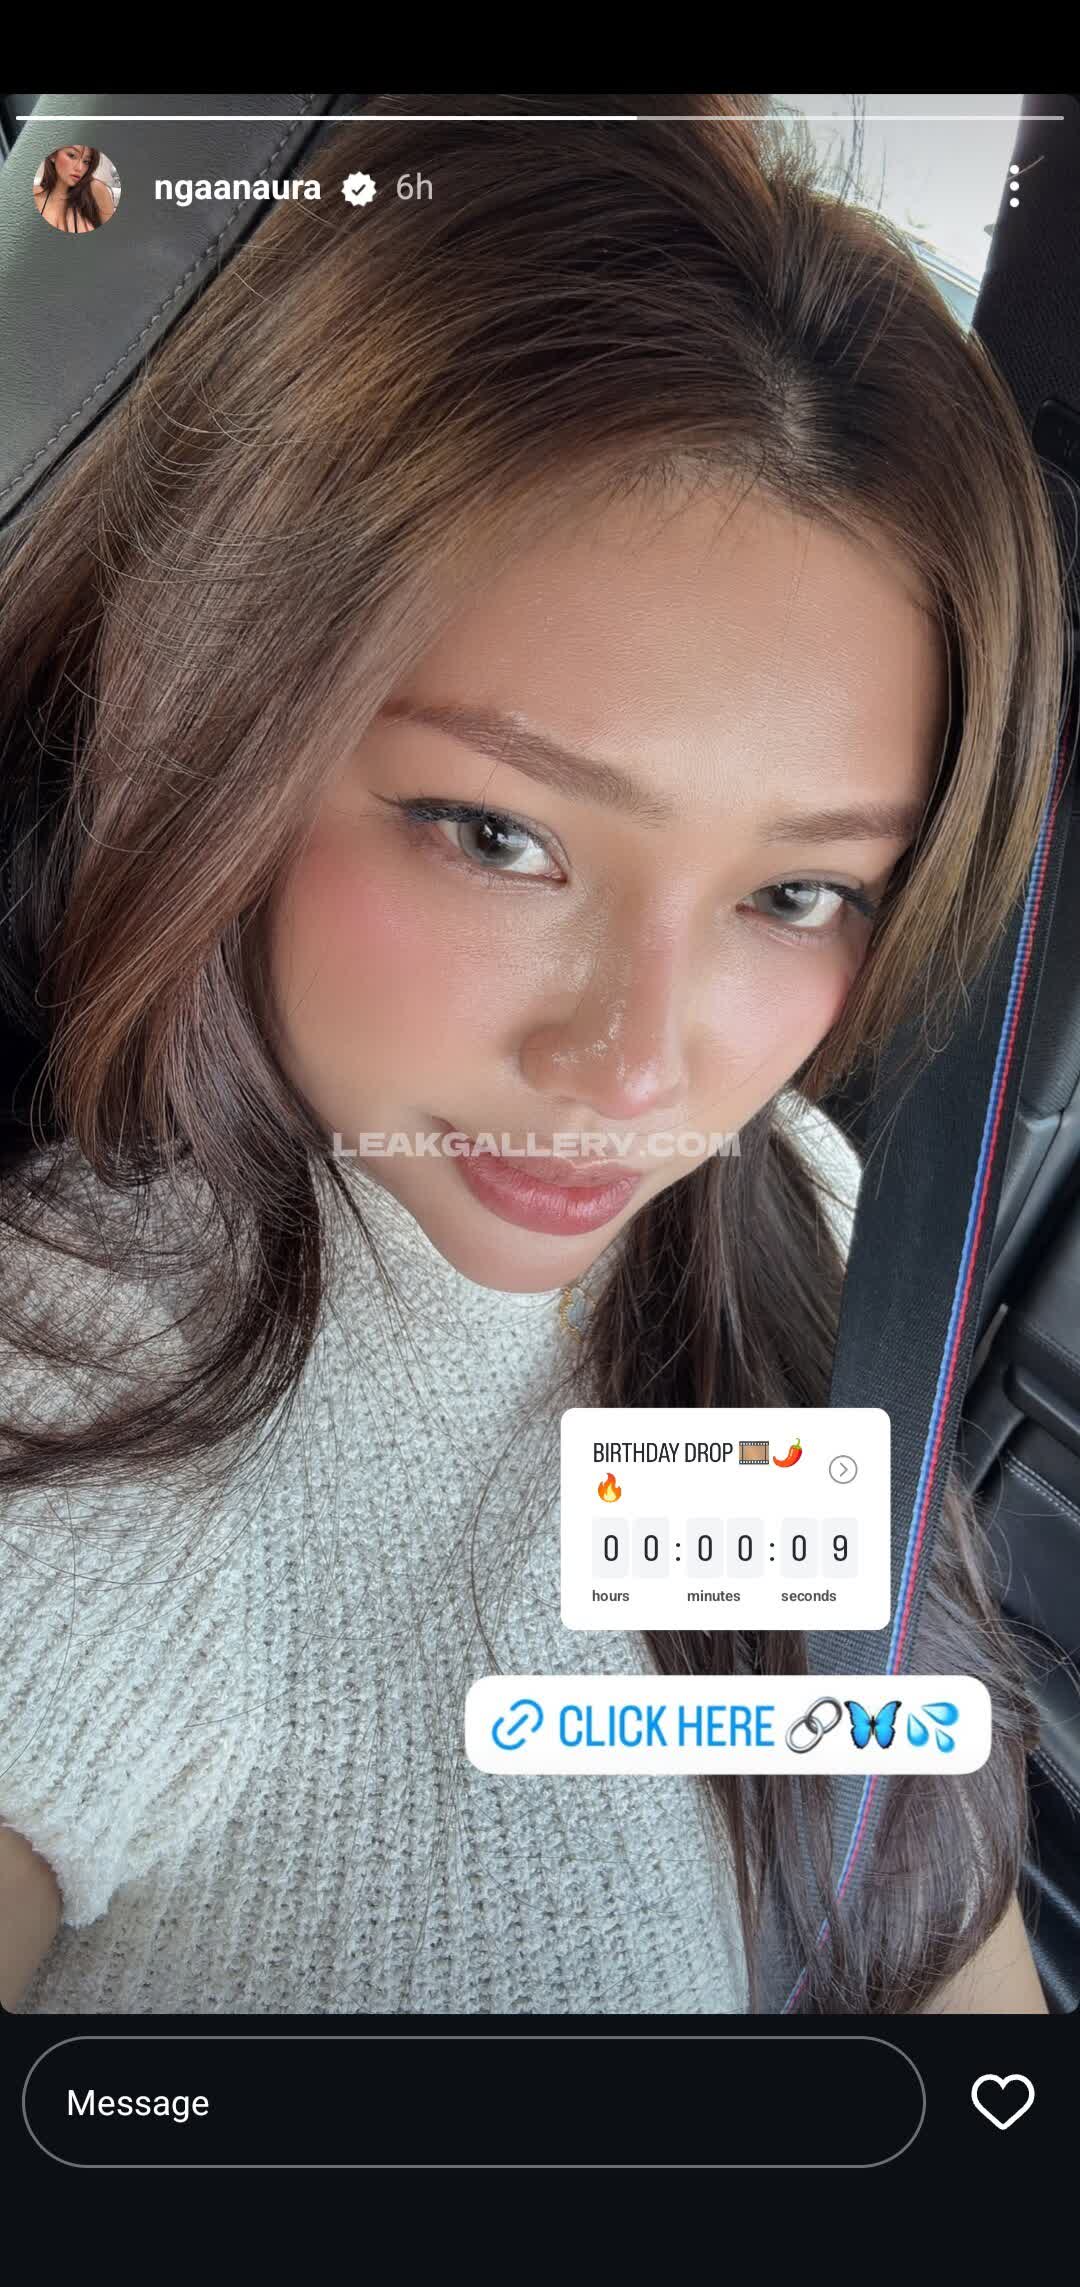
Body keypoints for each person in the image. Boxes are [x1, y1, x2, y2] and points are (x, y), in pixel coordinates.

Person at [0, 94, 1061, 2016]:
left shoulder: (778, 1208)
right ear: (207, 734)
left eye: (797, 892)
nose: (640, 1073)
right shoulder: (86, 1411)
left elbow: (881, 1894)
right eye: (498, 835)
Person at [33, 145, 112, 233]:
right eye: (72, 155)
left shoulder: (96, 189)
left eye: (86, 161)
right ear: (53, 155)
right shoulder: (34, 196)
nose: (80, 168)